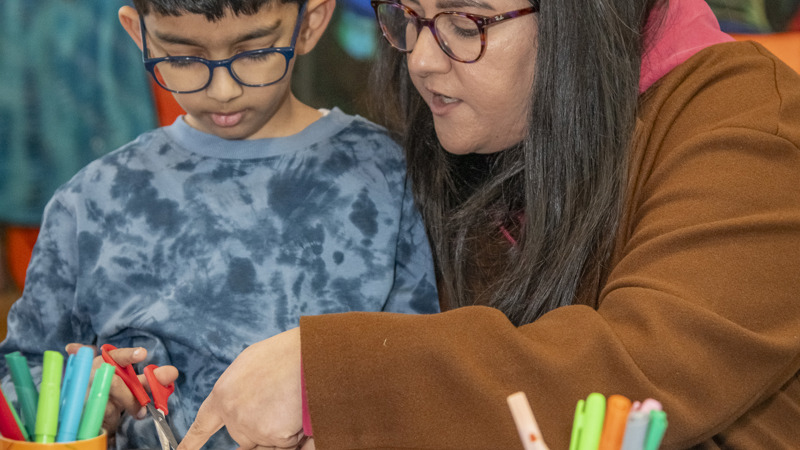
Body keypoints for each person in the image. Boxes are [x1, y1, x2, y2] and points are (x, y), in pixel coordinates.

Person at [175, 0, 800, 447]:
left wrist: (328, 377)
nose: (421, 60)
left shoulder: (746, 121)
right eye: (408, 18)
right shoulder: (481, 128)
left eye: (462, 23)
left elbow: (644, 368)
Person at [0, 0, 439, 447]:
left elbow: (427, 370)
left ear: (309, 23)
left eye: (253, 53)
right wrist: (79, 403)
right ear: (139, 34)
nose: (223, 89)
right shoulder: (89, 202)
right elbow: (20, 375)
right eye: (185, 57)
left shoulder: (392, 178)